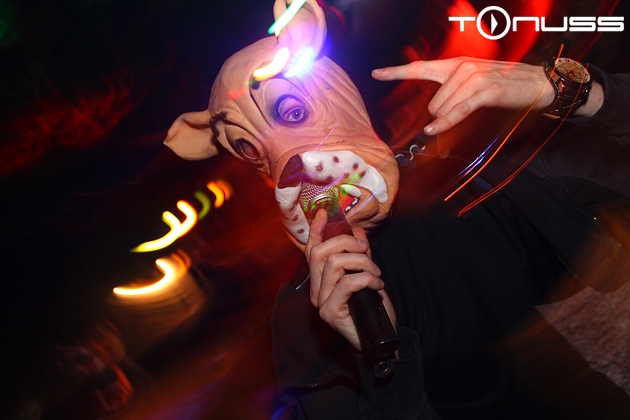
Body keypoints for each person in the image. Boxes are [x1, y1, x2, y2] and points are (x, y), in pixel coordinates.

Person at [271, 56, 630, 419]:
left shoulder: (469, 177)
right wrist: (386, 363)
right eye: (253, 148)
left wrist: (572, 92)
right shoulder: (303, 318)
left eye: (295, 113)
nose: (293, 156)